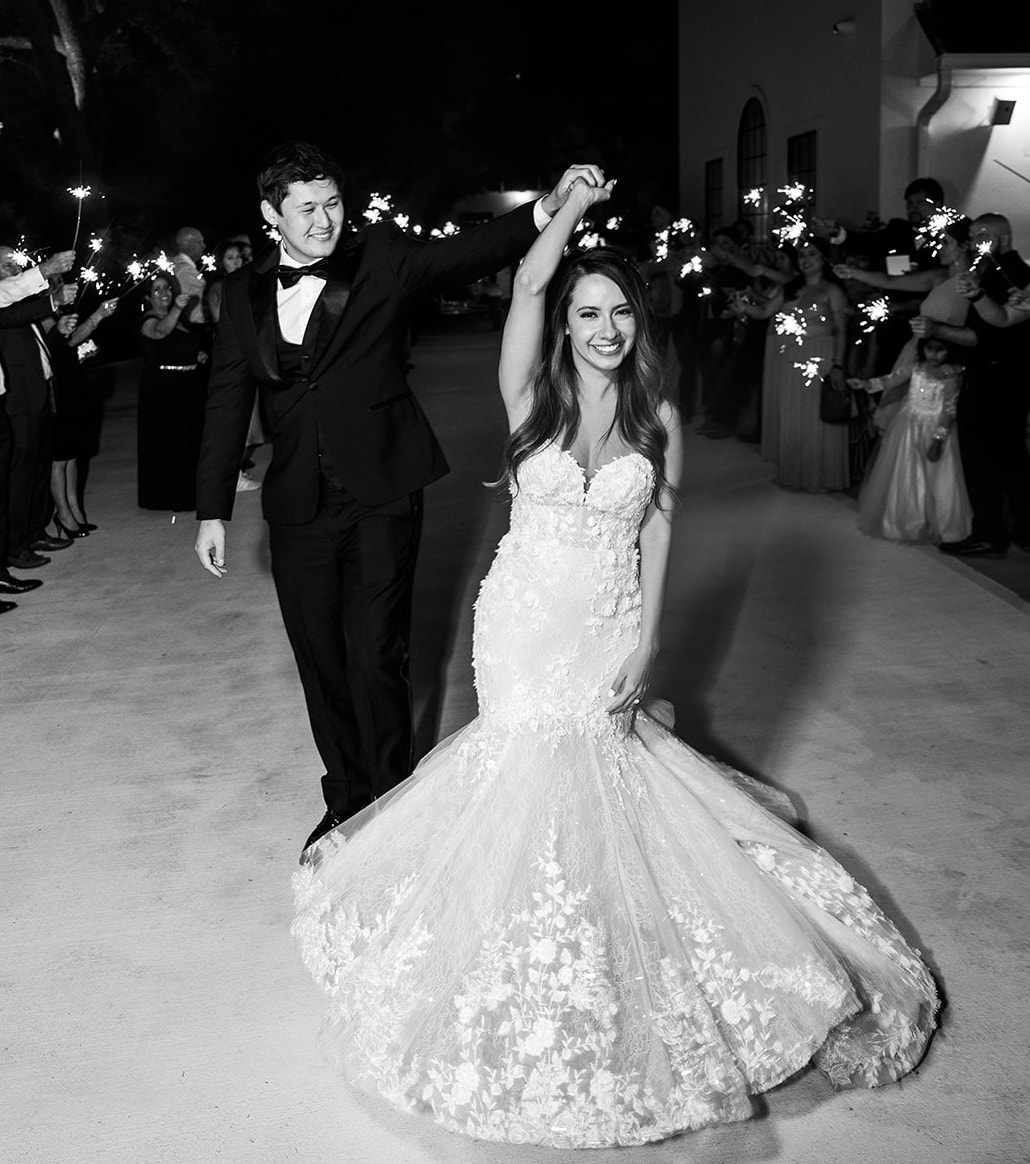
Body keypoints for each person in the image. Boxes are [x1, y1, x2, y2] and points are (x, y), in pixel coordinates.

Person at [291, 174, 938, 1148]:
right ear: (565, 325)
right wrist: (565, 219)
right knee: (524, 765)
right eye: (586, 312)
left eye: (617, 312)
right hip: (520, 617)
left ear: (639, 320)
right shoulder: (528, 397)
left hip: (605, 617)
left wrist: (644, 642)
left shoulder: (657, 420)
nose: (602, 328)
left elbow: (660, 533)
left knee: (604, 774)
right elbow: (524, 288)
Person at [194, 141, 603, 854]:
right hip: (297, 503)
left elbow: (469, 252)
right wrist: (211, 510)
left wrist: (550, 204)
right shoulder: (237, 295)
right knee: (319, 658)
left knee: (376, 655)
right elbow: (227, 399)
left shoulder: (379, 258)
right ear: (270, 215)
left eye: (332, 205)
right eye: (305, 209)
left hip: (383, 487)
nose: (323, 222)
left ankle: (390, 801)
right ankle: (346, 799)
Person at [941, 213, 1030, 557]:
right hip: (1011, 378)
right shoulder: (994, 271)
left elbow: (1000, 321)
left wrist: (978, 296)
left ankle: (989, 533)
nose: (976, 242)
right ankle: (1022, 527)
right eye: (974, 236)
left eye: (982, 236)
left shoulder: (1010, 274)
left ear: (1004, 239)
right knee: (1011, 454)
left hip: (994, 377)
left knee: (982, 457)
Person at [733, 238, 851, 492]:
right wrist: (743, 307)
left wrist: (838, 364)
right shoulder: (791, 288)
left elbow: (842, 329)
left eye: (812, 254)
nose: (806, 259)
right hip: (790, 357)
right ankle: (795, 472)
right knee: (792, 412)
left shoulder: (832, 290)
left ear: (824, 259)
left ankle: (821, 476)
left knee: (816, 415)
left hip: (820, 356)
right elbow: (764, 313)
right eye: (802, 255)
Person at [849, 336, 971, 544]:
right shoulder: (915, 368)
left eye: (940, 349)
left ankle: (945, 525)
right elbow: (891, 379)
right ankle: (906, 522)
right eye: (930, 349)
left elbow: (950, 408)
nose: (934, 355)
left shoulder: (950, 375)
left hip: (936, 428)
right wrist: (866, 383)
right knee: (908, 472)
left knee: (939, 476)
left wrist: (939, 439)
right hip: (910, 427)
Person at [45, 297, 119, 538]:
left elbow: (74, 341)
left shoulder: (58, 311)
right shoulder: (40, 314)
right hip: (55, 390)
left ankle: (74, 508)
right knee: (59, 457)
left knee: (72, 455)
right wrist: (97, 316)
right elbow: (66, 341)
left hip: (73, 385)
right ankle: (63, 514)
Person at [137, 273, 207, 511]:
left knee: (189, 441)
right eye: (157, 290)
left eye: (167, 287)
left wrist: (195, 355)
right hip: (164, 390)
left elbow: (176, 345)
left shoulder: (176, 318)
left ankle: (192, 492)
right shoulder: (149, 319)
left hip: (186, 385)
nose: (164, 292)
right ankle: (172, 496)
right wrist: (178, 309)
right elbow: (159, 333)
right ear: (148, 297)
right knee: (171, 443)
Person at [204, 239, 263, 493]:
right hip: (232, 356)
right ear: (220, 262)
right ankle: (232, 474)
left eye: (238, 256)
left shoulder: (246, 282)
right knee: (238, 414)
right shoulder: (220, 285)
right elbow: (220, 318)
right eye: (229, 258)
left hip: (250, 353)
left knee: (251, 415)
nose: (236, 261)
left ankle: (236, 468)